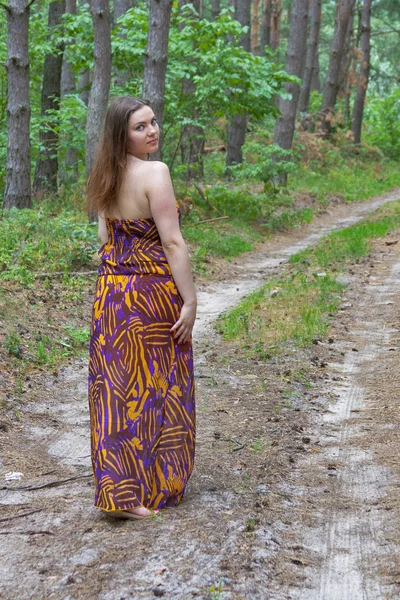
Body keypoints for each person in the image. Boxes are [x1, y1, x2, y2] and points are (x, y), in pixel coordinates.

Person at [87, 97, 197, 520]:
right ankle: (149, 486)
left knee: (114, 391)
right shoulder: (156, 172)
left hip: (112, 296)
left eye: (153, 122)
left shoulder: (105, 176)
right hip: (152, 297)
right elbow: (172, 242)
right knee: (156, 388)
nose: (152, 131)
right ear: (122, 134)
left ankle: (119, 493)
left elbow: (104, 237)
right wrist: (189, 299)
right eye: (140, 127)